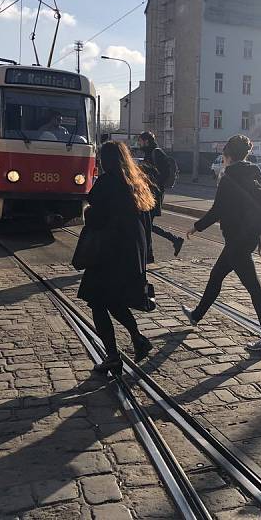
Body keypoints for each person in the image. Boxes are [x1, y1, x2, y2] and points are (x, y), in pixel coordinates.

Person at [181, 134, 261, 352]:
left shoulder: (229, 178)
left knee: (254, 288)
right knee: (216, 275)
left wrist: (196, 227)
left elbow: (217, 210)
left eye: (223, 156)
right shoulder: (255, 173)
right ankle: (196, 315)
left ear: (228, 156)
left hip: (236, 241)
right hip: (247, 238)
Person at [77, 141, 155, 375]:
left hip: (108, 252)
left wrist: (88, 213)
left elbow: (95, 218)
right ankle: (138, 339)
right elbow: (146, 221)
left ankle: (112, 355)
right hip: (130, 251)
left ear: (105, 160)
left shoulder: (107, 182)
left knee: (98, 302)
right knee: (114, 301)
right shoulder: (134, 182)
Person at [137, 131, 184, 261]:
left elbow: (163, 174)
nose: (139, 143)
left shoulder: (156, 153)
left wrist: (152, 184)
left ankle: (150, 255)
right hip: (149, 194)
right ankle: (172, 241)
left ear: (146, 141)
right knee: (147, 224)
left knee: (146, 224)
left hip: (154, 194)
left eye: (140, 141)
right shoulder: (149, 153)